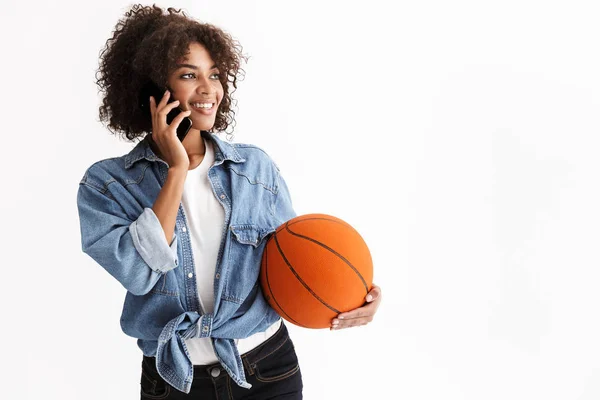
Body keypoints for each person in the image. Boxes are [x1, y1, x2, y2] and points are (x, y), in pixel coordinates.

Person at [76, 4, 382, 399]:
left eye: (215, 74)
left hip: (266, 369)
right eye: (189, 75)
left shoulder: (255, 169)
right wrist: (176, 171)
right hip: (175, 381)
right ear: (152, 89)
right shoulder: (107, 184)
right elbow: (138, 273)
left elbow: (295, 261)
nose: (209, 90)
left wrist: (354, 293)